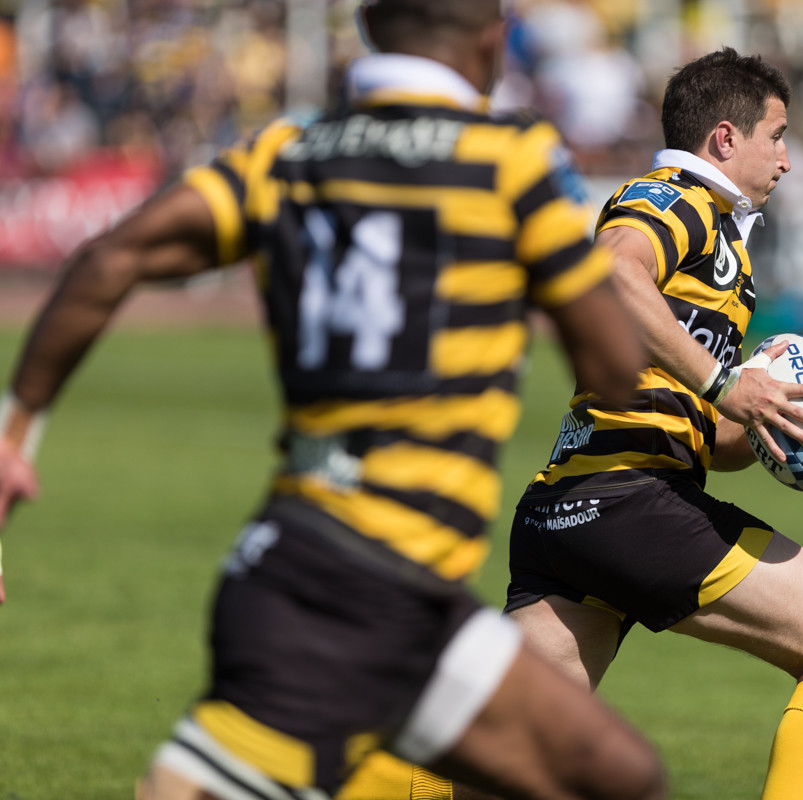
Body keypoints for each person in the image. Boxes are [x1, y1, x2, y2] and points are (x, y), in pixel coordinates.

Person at [0, 1, 668, 799]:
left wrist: (15, 432)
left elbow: (111, 257)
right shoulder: (509, 157)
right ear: (492, 42)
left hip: (368, 582)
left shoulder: (288, 151)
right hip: (351, 587)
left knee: (614, 775)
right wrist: (551, 245)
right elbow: (616, 368)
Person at [503, 48, 803, 800]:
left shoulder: (722, 243)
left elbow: (701, 432)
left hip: (571, 508)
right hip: (629, 501)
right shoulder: (675, 197)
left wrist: (770, 427)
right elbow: (613, 276)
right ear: (723, 139)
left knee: (503, 760)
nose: (785, 158)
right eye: (776, 136)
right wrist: (726, 380)